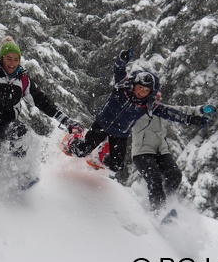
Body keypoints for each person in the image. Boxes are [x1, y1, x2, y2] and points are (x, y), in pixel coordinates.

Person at [0, 36, 77, 197]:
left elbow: (41, 101)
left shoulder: (22, 79)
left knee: (21, 132)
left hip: (9, 124)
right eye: (8, 58)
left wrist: (64, 120)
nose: (12, 63)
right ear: (2, 58)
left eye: (16, 59)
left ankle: (21, 174)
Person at [60, 46, 210, 176]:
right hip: (102, 124)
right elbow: (118, 69)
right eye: (140, 88)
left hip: (120, 134)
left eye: (146, 90)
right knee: (80, 152)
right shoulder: (122, 87)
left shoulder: (148, 105)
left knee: (116, 166)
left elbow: (169, 113)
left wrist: (191, 119)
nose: (142, 92)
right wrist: (122, 59)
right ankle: (73, 137)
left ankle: (100, 154)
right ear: (134, 85)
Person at [88, 92, 216, 214]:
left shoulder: (164, 110)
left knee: (175, 175)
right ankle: (158, 211)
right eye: (153, 98)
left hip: (162, 152)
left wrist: (201, 109)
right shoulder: (136, 112)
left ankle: (167, 203)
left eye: (157, 98)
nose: (155, 101)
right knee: (154, 178)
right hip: (141, 153)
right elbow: (117, 121)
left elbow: (184, 110)